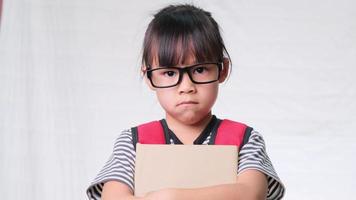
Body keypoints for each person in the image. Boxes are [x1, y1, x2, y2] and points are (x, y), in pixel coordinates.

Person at [87, 4, 285, 200]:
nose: (186, 87)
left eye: (199, 70)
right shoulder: (133, 142)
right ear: (149, 77)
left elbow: (251, 194)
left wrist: (172, 197)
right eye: (170, 73)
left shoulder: (245, 139)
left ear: (222, 70)